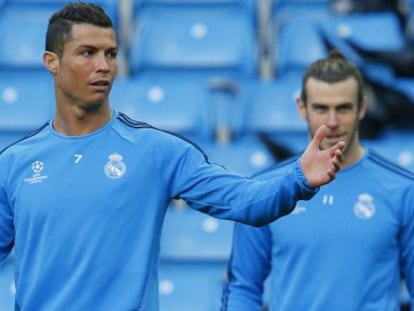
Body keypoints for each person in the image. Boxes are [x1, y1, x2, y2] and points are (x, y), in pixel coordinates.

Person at [0, 2, 345, 310]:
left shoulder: (156, 151)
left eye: (111, 53)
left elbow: (244, 201)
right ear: (52, 62)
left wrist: (297, 179)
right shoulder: (14, 163)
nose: (103, 66)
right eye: (87, 53)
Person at [221, 50, 414, 310]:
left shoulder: (403, 191)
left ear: (362, 107)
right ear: (302, 108)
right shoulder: (264, 189)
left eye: (343, 108)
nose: (332, 122)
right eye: (321, 108)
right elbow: (242, 288)